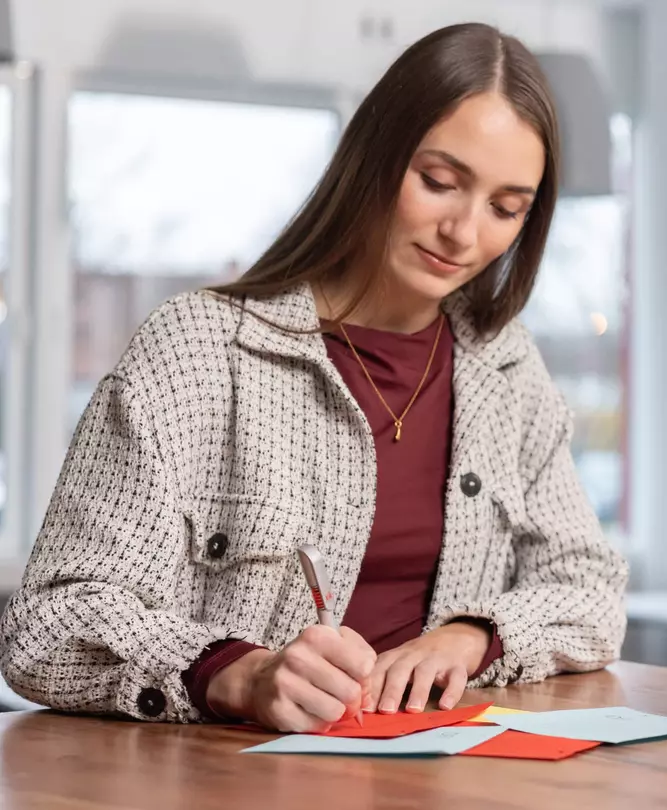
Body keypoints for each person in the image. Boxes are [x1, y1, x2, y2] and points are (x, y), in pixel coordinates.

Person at [0, 23, 627, 732]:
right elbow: (47, 627)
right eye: (439, 183)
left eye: (506, 208)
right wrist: (238, 674)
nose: (464, 233)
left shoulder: (505, 365)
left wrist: (475, 635)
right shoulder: (201, 349)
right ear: (374, 157)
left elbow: (591, 588)